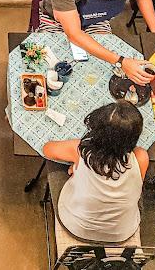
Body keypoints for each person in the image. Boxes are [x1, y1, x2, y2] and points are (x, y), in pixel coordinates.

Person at [43, 101, 149, 244]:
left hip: (76, 227)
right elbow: (135, 185)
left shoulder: (81, 151)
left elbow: (47, 149)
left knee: (59, 167)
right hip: (121, 233)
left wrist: (76, 165)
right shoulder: (141, 157)